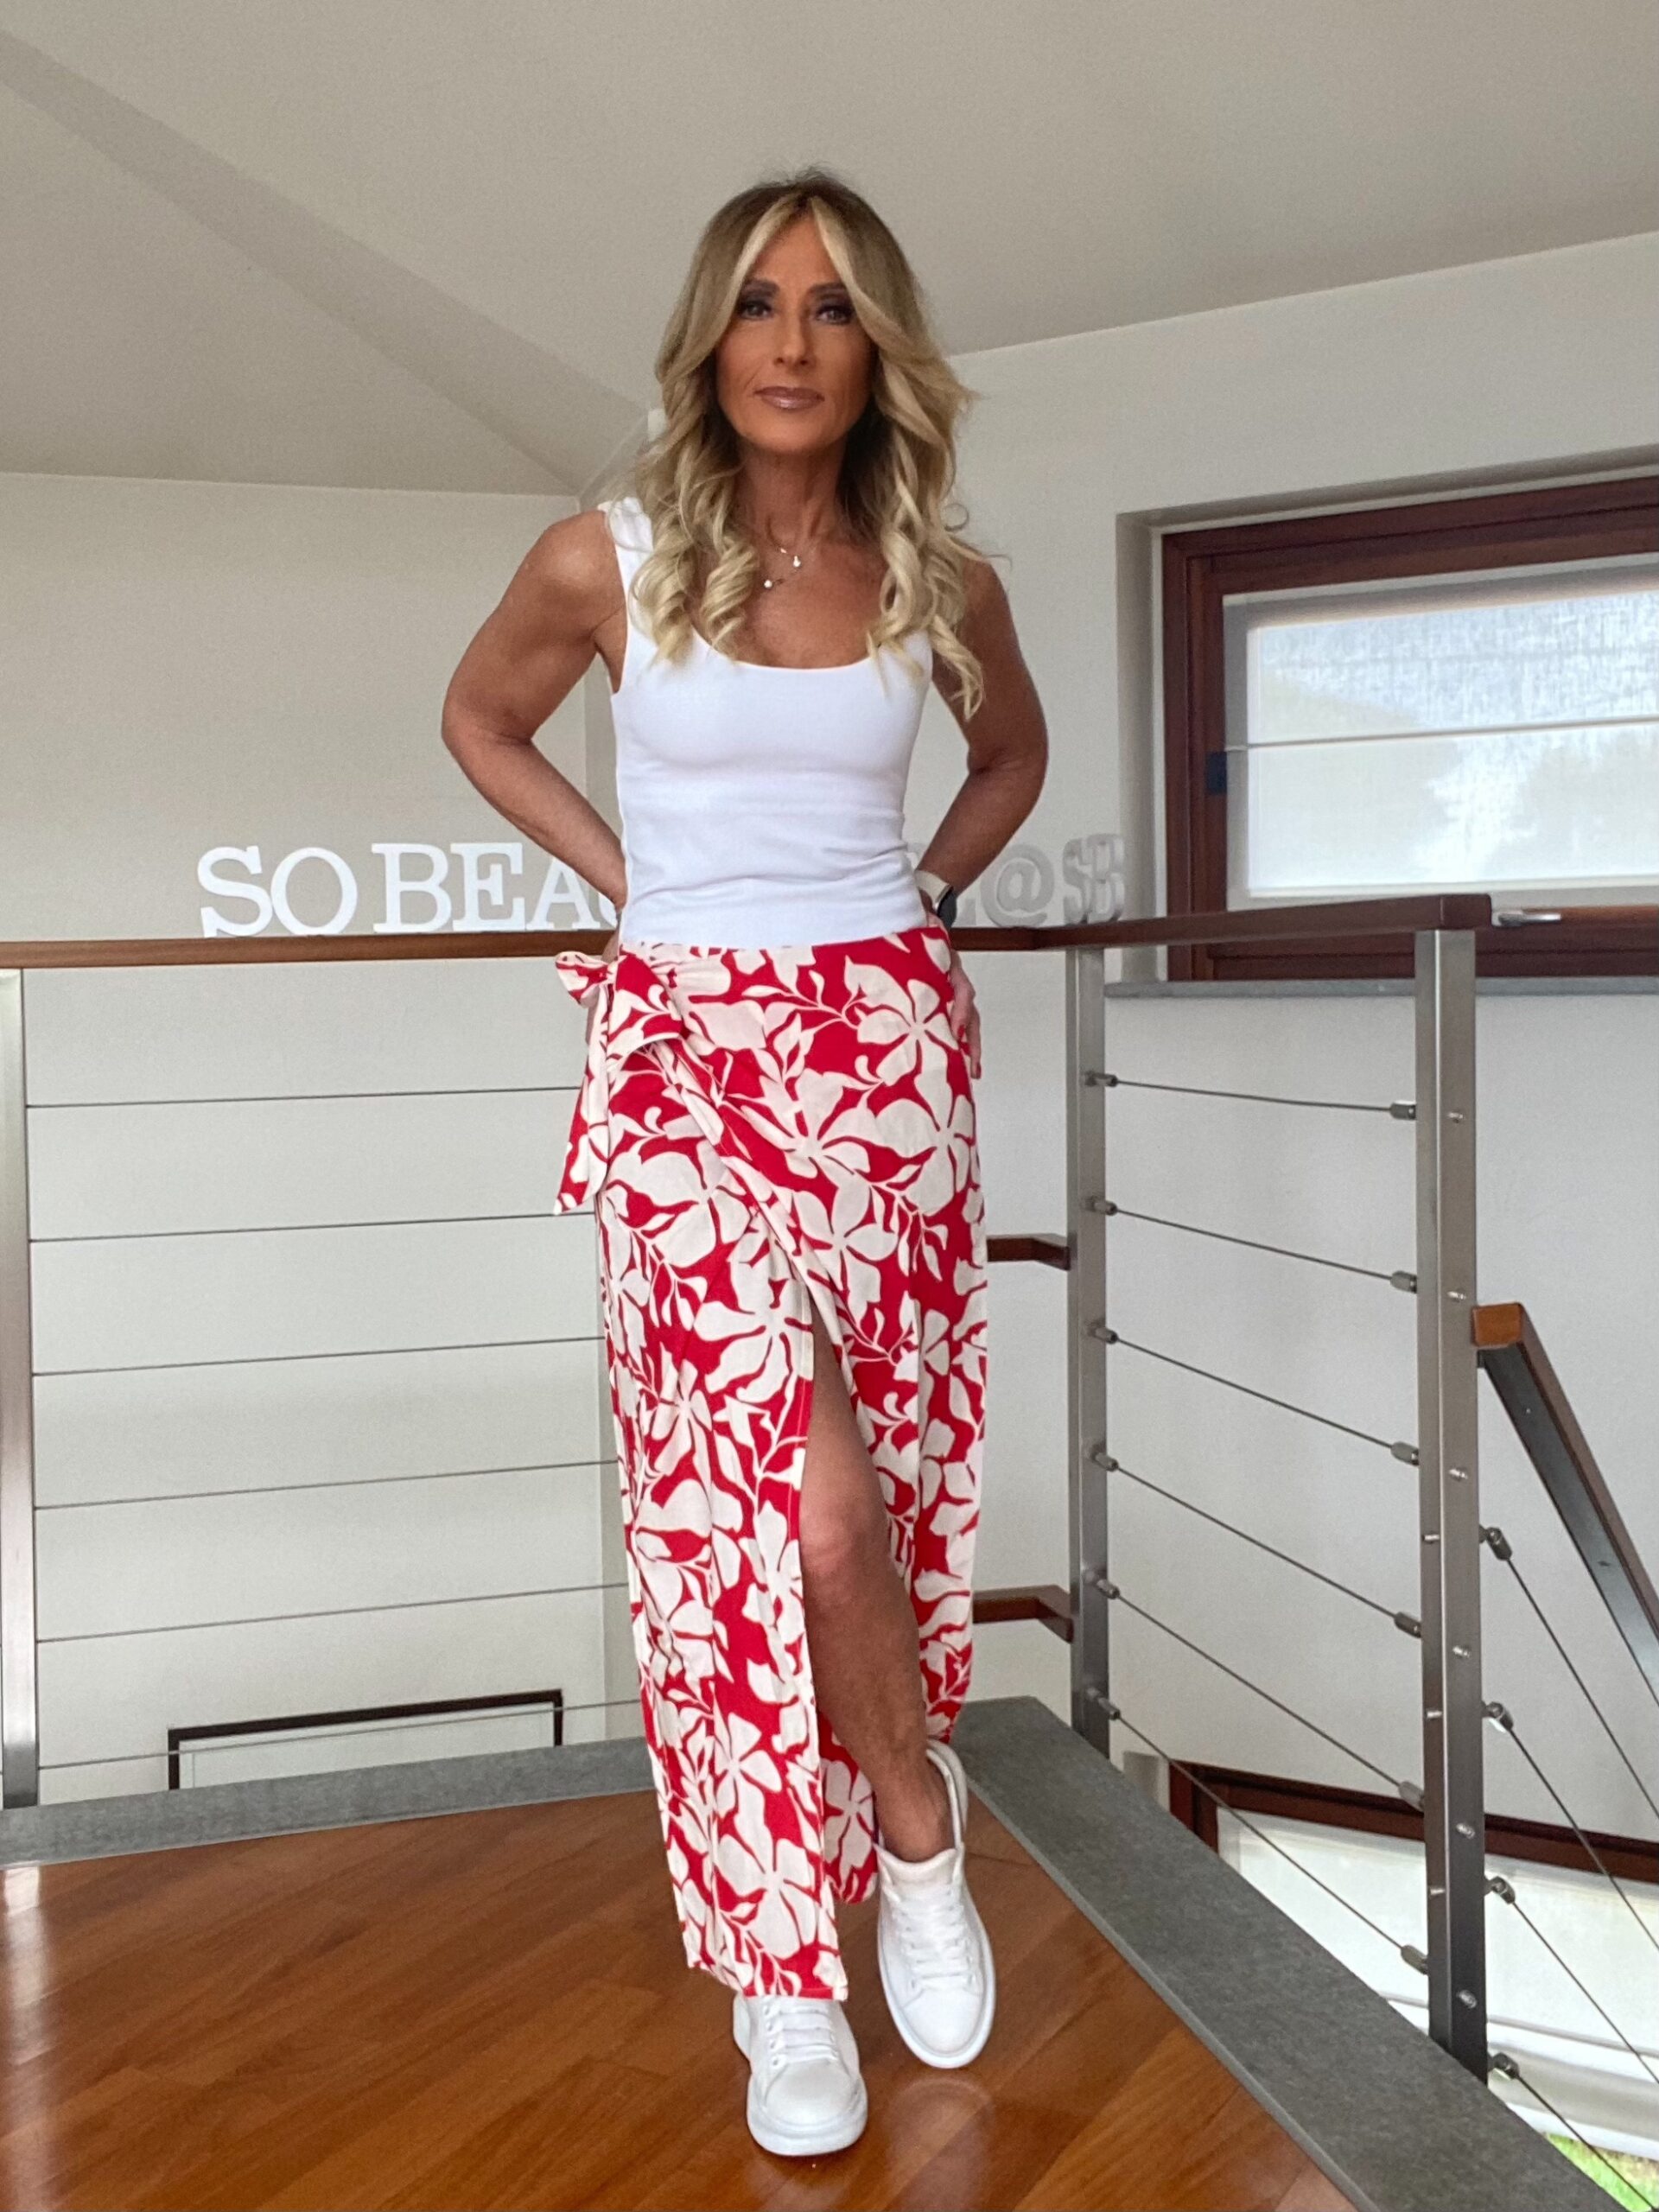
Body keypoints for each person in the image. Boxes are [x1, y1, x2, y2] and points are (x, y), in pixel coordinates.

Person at [442, 166, 1047, 2159]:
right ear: (710, 336)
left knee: (876, 1515)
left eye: (835, 306)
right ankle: (787, 1965)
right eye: (763, 303)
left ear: (881, 350)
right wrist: (637, 885)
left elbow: (1012, 756)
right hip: (684, 1055)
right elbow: (482, 718)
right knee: (773, 1507)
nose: (794, 341)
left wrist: (925, 899)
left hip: (884, 1062)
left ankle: (916, 1825)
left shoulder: (936, 573)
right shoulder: (603, 556)